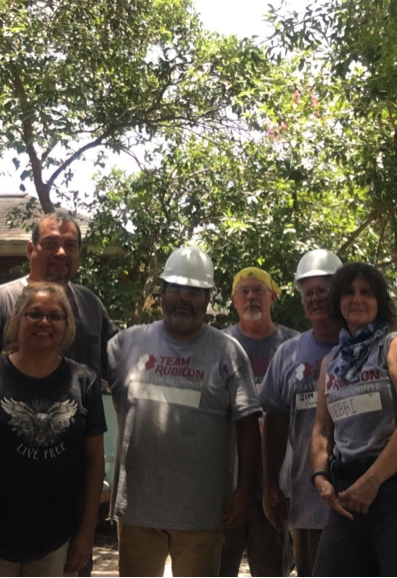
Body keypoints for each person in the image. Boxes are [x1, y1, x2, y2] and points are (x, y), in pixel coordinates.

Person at [0, 210, 117, 518]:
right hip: (3, 488)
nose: (61, 252)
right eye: (50, 243)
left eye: (70, 245)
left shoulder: (91, 306)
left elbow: (120, 371)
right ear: (31, 250)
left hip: (71, 491)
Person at [108, 246, 262, 577]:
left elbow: (248, 424)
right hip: (137, 508)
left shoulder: (227, 352)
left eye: (194, 292)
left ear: (207, 299)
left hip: (201, 513)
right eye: (176, 288)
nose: (183, 299)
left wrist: (244, 491)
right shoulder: (125, 344)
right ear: (161, 293)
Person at [0, 282, 106, 577]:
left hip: (57, 540)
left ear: (67, 326)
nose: (44, 322)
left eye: (55, 316)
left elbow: (94, 460)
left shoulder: (83, 382)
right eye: (34, 314)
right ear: (17, 320)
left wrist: (86, 533)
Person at [310, 262, 397, 577]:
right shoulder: (330, 363)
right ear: (338, 302)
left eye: (366, 293)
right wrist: (320, 478)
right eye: (348, 292)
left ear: (379, 302)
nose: (357, 299)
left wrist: (372, 481)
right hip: (347, 494)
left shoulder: (395, 346)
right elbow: (322, 430)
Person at [258, 250, 343, 577]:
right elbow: (275, 423)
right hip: (308, 503)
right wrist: (271, 486)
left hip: (362, 501)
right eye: (308, 293)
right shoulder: (288, 354)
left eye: (323, 291)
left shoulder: (367, 348)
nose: (315, 299)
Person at [220, 266, 301, 578]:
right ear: (234, 300)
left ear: (273, 297)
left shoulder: (293, 346)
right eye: (244, 291)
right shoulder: (219, 345)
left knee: (271, 570)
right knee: (217, 568)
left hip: (277, 485)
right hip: (226, 485)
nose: (251, 297)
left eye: (259, 290)